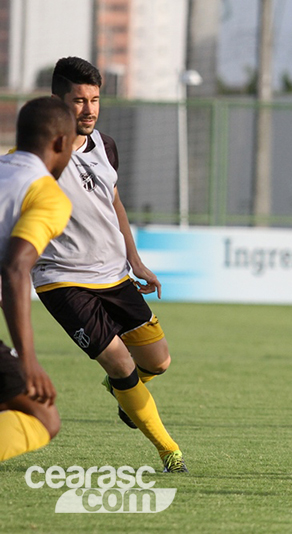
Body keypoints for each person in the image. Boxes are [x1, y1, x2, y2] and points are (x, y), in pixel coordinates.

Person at [33, 56, 187, 472]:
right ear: (57, 101)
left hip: (114, 275)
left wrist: (135, 259)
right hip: (61, 281)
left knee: (158, 361)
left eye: (95, 99)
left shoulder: (107, 145)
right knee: (120, 363)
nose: (88, 109)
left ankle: (124, 393)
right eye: (79, 100)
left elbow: (113, 200)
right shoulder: (36, 154)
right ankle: (169, 451)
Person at [0, 97, 75, 461]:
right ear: (61, 143)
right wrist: (27, 359)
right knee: (43, 416)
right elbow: (16, 267)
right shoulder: (47, 194)